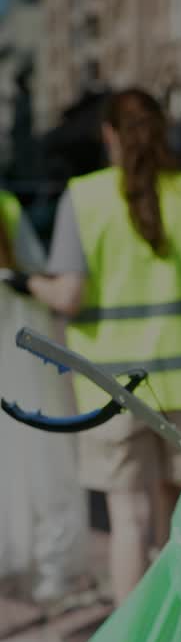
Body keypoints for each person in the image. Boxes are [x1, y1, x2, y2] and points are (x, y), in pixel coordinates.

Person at [26, 89, 181, 606]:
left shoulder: (83, 198)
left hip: (110, 387)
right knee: (176, 510)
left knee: (127, 514)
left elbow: (69, 295)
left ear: (108, 135)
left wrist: (29, 283)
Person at [0, 190, 87, 604]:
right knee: (31, 452)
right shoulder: (7, 206)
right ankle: (45, 563)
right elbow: (32, 272)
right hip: (13, 343)